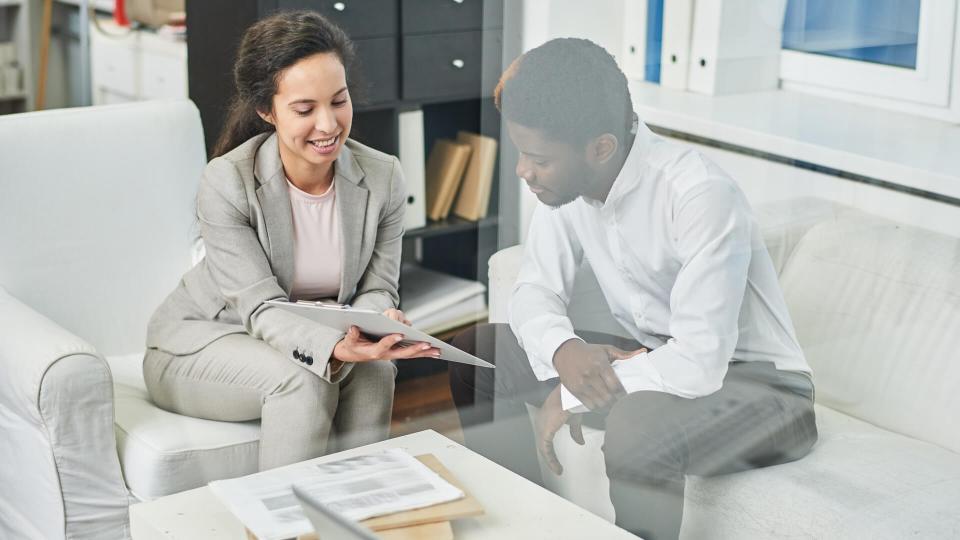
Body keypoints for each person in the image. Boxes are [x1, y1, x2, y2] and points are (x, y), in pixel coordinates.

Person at [449, 38, 818, 540]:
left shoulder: (699, 195)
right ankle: (522, 527)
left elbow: (701, 360)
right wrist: (565, 352)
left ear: (601, 147)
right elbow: (536, 288)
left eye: (538, 158)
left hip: (765, 390)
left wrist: (572, 395)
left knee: (637, 426)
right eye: (521, 153)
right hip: (655, 356)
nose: (522, 171)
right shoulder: (569, 188)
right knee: (477, 353)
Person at [143, 11, 440, 471]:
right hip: (201, 342)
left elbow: (379, 285)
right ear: (267, 110)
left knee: (376, 369)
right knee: (305, 379)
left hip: (303, 337)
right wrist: (334, 348)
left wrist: (381, 321)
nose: (328, 125)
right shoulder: (228, 182)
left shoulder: (383, 177)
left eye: (338, 102)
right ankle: (282, 526)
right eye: (304, 110)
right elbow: (260, 308)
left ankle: (355, 511)